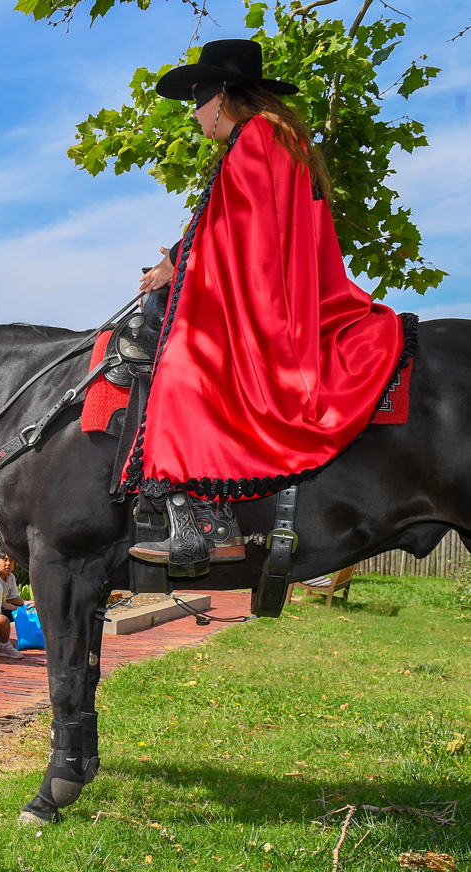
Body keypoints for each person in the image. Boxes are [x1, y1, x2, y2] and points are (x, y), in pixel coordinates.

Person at [122, 39, 407, 576]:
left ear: (224, 96)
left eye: (198, 100)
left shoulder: (257, 139)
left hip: (275, 302)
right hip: (278, 287)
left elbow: (240, 234)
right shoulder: (277, 138)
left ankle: (207, 525)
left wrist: (177, 266)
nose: (195, 114)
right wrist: (183, 256)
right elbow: (240, 228)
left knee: (187, 368)